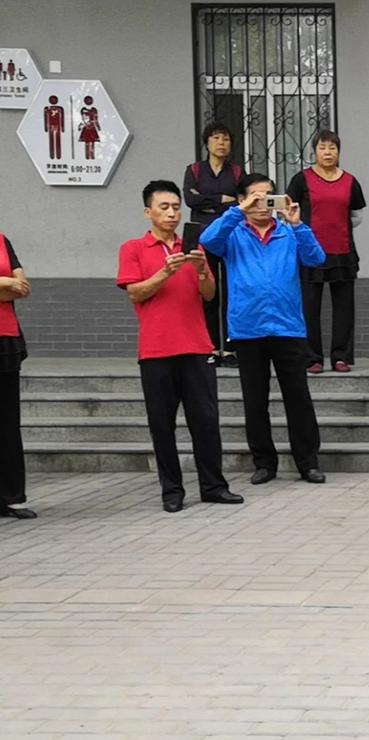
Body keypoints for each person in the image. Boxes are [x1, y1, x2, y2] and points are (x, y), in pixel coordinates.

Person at [117, 181, 245, 513]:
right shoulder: (133, 248)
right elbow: (135, 293)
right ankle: (172, 490)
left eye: (176, 207)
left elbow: (209, 294)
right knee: (162, 425)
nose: (172, 213)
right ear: (148, 212)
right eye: (164, 207)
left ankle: (214, 486)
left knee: (206, 421)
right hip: (156, 350)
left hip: (197, 346)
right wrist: (164, 273)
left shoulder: (193, 247)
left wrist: (201, 270)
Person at [200, 173, 328, 485]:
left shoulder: (288, 232)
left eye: (268, 197)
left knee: (298, 398)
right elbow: (208, 241)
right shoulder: (233, 233)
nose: (262, 204)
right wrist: (238, 211)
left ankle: (308, 462)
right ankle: (264, 463)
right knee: (255, 401)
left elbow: (316, 258)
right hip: (248, 328)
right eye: (256, 197)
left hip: (288, 327)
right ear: (243, 199)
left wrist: (298, 224)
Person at [287, 130, 367, 374]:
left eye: (332, 147)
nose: (328, 152)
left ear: (339, 152)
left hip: (343, 252)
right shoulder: (301, 180)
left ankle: (341, 357)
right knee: (309, 308)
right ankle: (313, 358)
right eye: (322, 147)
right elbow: (288, 212)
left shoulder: (350, 181)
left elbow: (357, 216)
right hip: (309, 253)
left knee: (344, 309)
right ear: (315, 152)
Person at [184, 122, 246, 368]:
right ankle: (209, 347)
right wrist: (221, 199)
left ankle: (230, 349)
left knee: (232, 292)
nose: (222, 143)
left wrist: (208, 204)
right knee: (207, 292)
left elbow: (241, 203)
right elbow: (191, 200)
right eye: (216, 138)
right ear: (207, 142)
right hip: (202, 237)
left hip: (231, 237)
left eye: (226, 139)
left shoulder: (237, 172)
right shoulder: (194, 170)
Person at [0, 230, 34, 520]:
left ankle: (9, 498)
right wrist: (5, 283)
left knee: (8, 423)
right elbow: (11, 283)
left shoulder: (2, 240)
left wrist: (10, 284)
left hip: (6, 338)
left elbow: (21, 286)